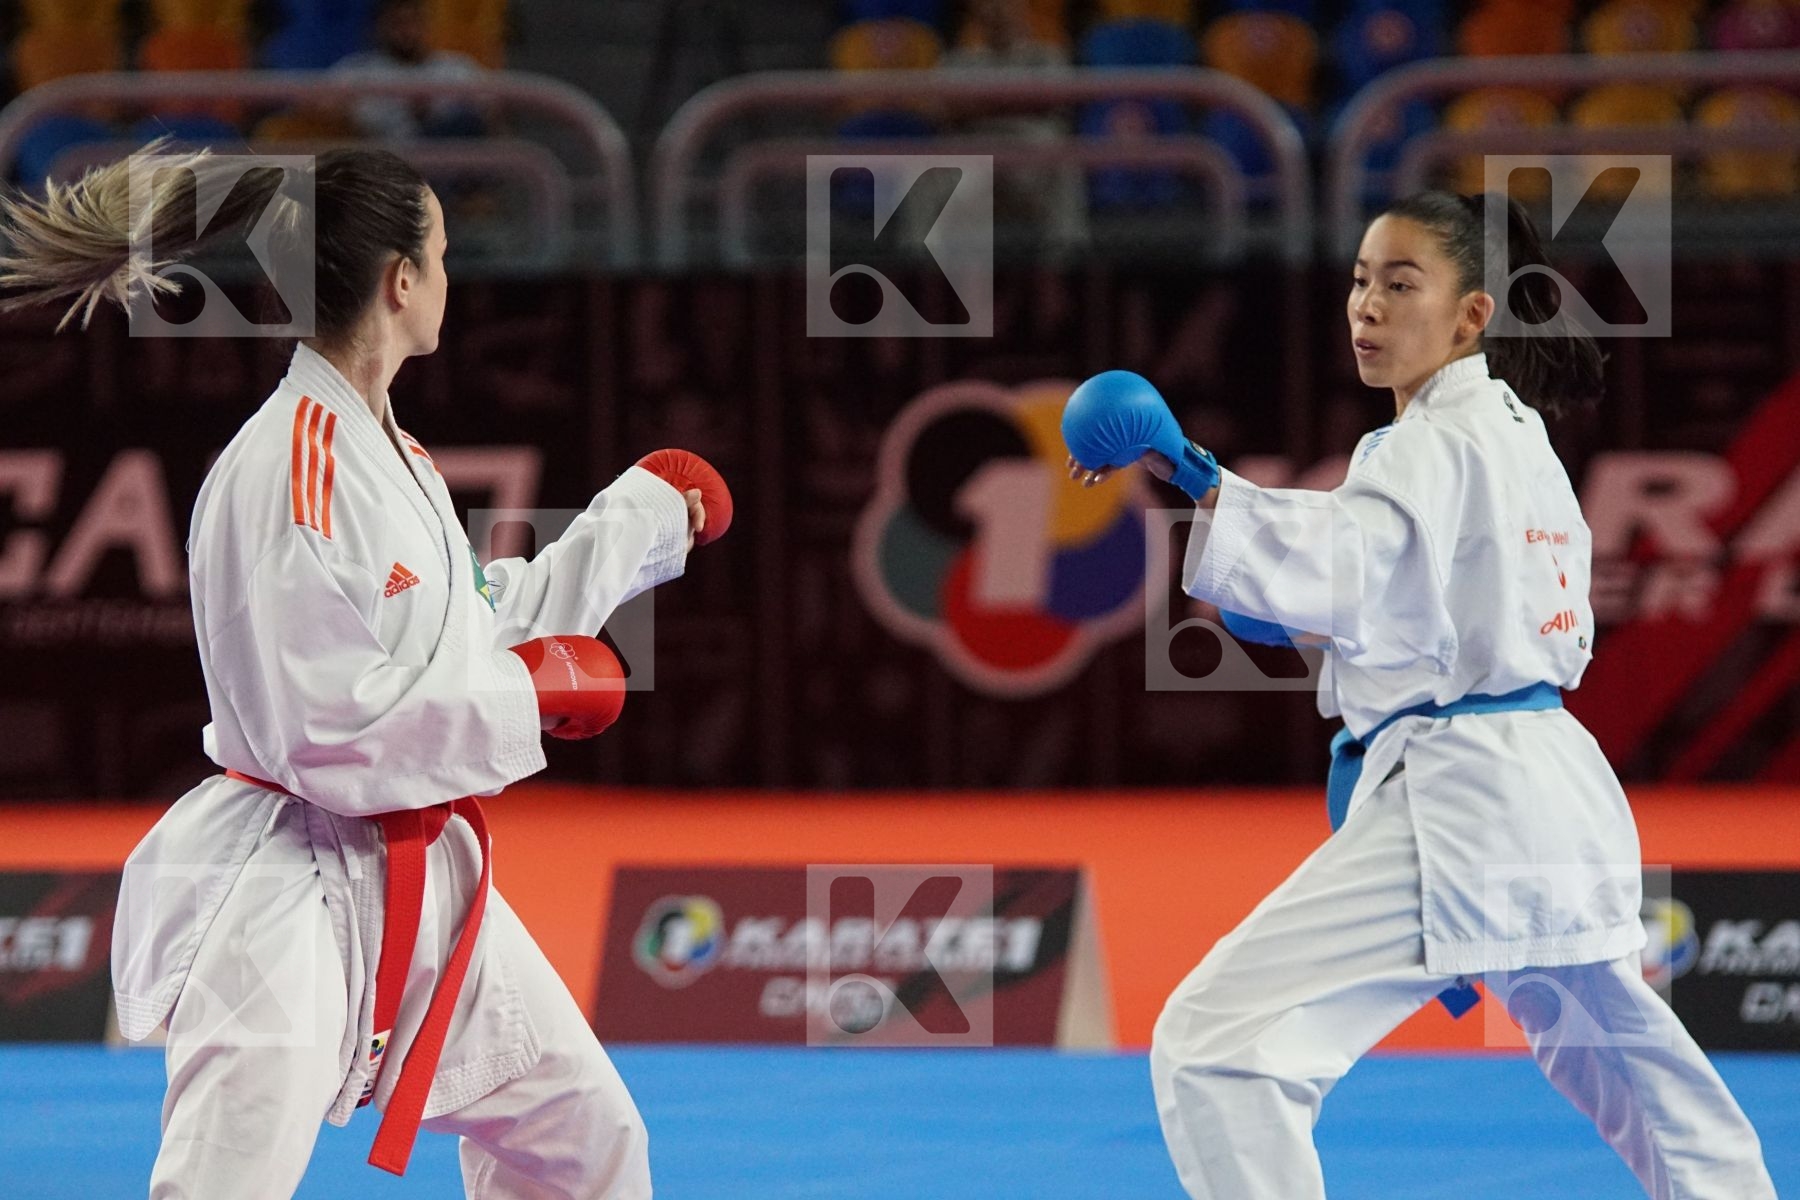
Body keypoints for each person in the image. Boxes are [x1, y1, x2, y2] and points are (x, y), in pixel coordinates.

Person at [0, 145, 729, 1198]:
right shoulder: (288, 469)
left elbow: (471, 633)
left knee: (586, 1141)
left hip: (416, 878)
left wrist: (637, 520)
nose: (449, 277)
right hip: (281, 893)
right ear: (400, 280)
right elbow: (327, 731)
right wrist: (536, 693)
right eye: (441, 254)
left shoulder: (399, 457)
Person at [1062, 190, 1776, 1199]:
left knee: (1218, 1044)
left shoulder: (1429, 448)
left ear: (1470, 316)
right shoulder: (1508, 433)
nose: (1369, 306)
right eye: (1360, 281)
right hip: (1550, 793)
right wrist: (1277, 582)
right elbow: (1361, 593)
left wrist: (1190, 469)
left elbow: (1338, 566)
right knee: (1624, 1064)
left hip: (1465, 801)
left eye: (1402, 285)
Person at [334, 0, 486, 139]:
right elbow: (320, 103)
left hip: (449, 159)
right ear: (379, 27)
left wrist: (431, 114)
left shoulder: (455, 67)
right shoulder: (359, 70)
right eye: (397, 23)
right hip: (381, 158)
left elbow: (495, 102)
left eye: (414, 22)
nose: (407, 31)